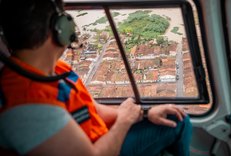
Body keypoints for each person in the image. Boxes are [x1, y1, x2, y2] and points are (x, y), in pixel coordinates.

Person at [0, 0, 192, 155]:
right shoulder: (27, 106)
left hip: (100, 137)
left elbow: (92, 109)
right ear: (61, 28)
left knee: (176, 118)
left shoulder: (55, 70)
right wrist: (125, 121)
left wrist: (143, 114)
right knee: (180, 124)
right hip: (100, 148)